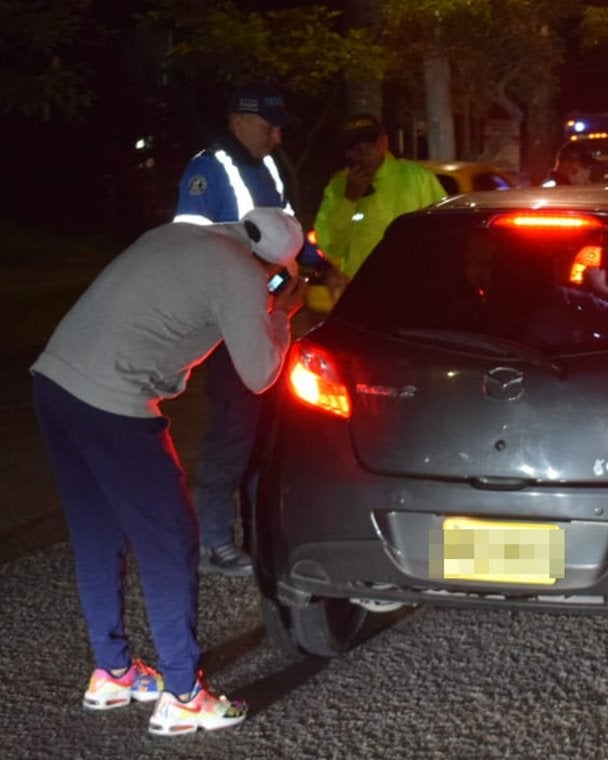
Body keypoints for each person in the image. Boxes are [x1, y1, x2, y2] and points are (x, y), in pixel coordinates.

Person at [30, 207, 307, 735]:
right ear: (273, 261)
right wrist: (280, 313)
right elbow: (260, 374)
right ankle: (183, 695)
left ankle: (113, 672)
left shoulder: (180, 233)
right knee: (172, 539)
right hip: (113, 401)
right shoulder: (244, 274)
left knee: (96, 536)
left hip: (53, 382)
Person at [173, 83, 318, 576]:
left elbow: (289, 228)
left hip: (271, 307)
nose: (277, 137)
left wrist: (317, 262)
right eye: (268, 126)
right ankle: (214, 541)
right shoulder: (208, 170)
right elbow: (189, 248)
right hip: (230, 322)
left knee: (268, 431)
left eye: (280, 127)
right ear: (238, 121)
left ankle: (259, 532)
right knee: (234, 431)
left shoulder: (268, 166)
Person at [314, 114, 448, 281]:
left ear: (384, 142)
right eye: (355, 147)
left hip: (412, 284)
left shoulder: (418, 178)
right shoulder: (338, 187)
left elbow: (443, 235)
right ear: (347, 151)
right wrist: (349, 199)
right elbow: (332, 246)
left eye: (370, 144)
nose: (364, 153)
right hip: (363, 287)